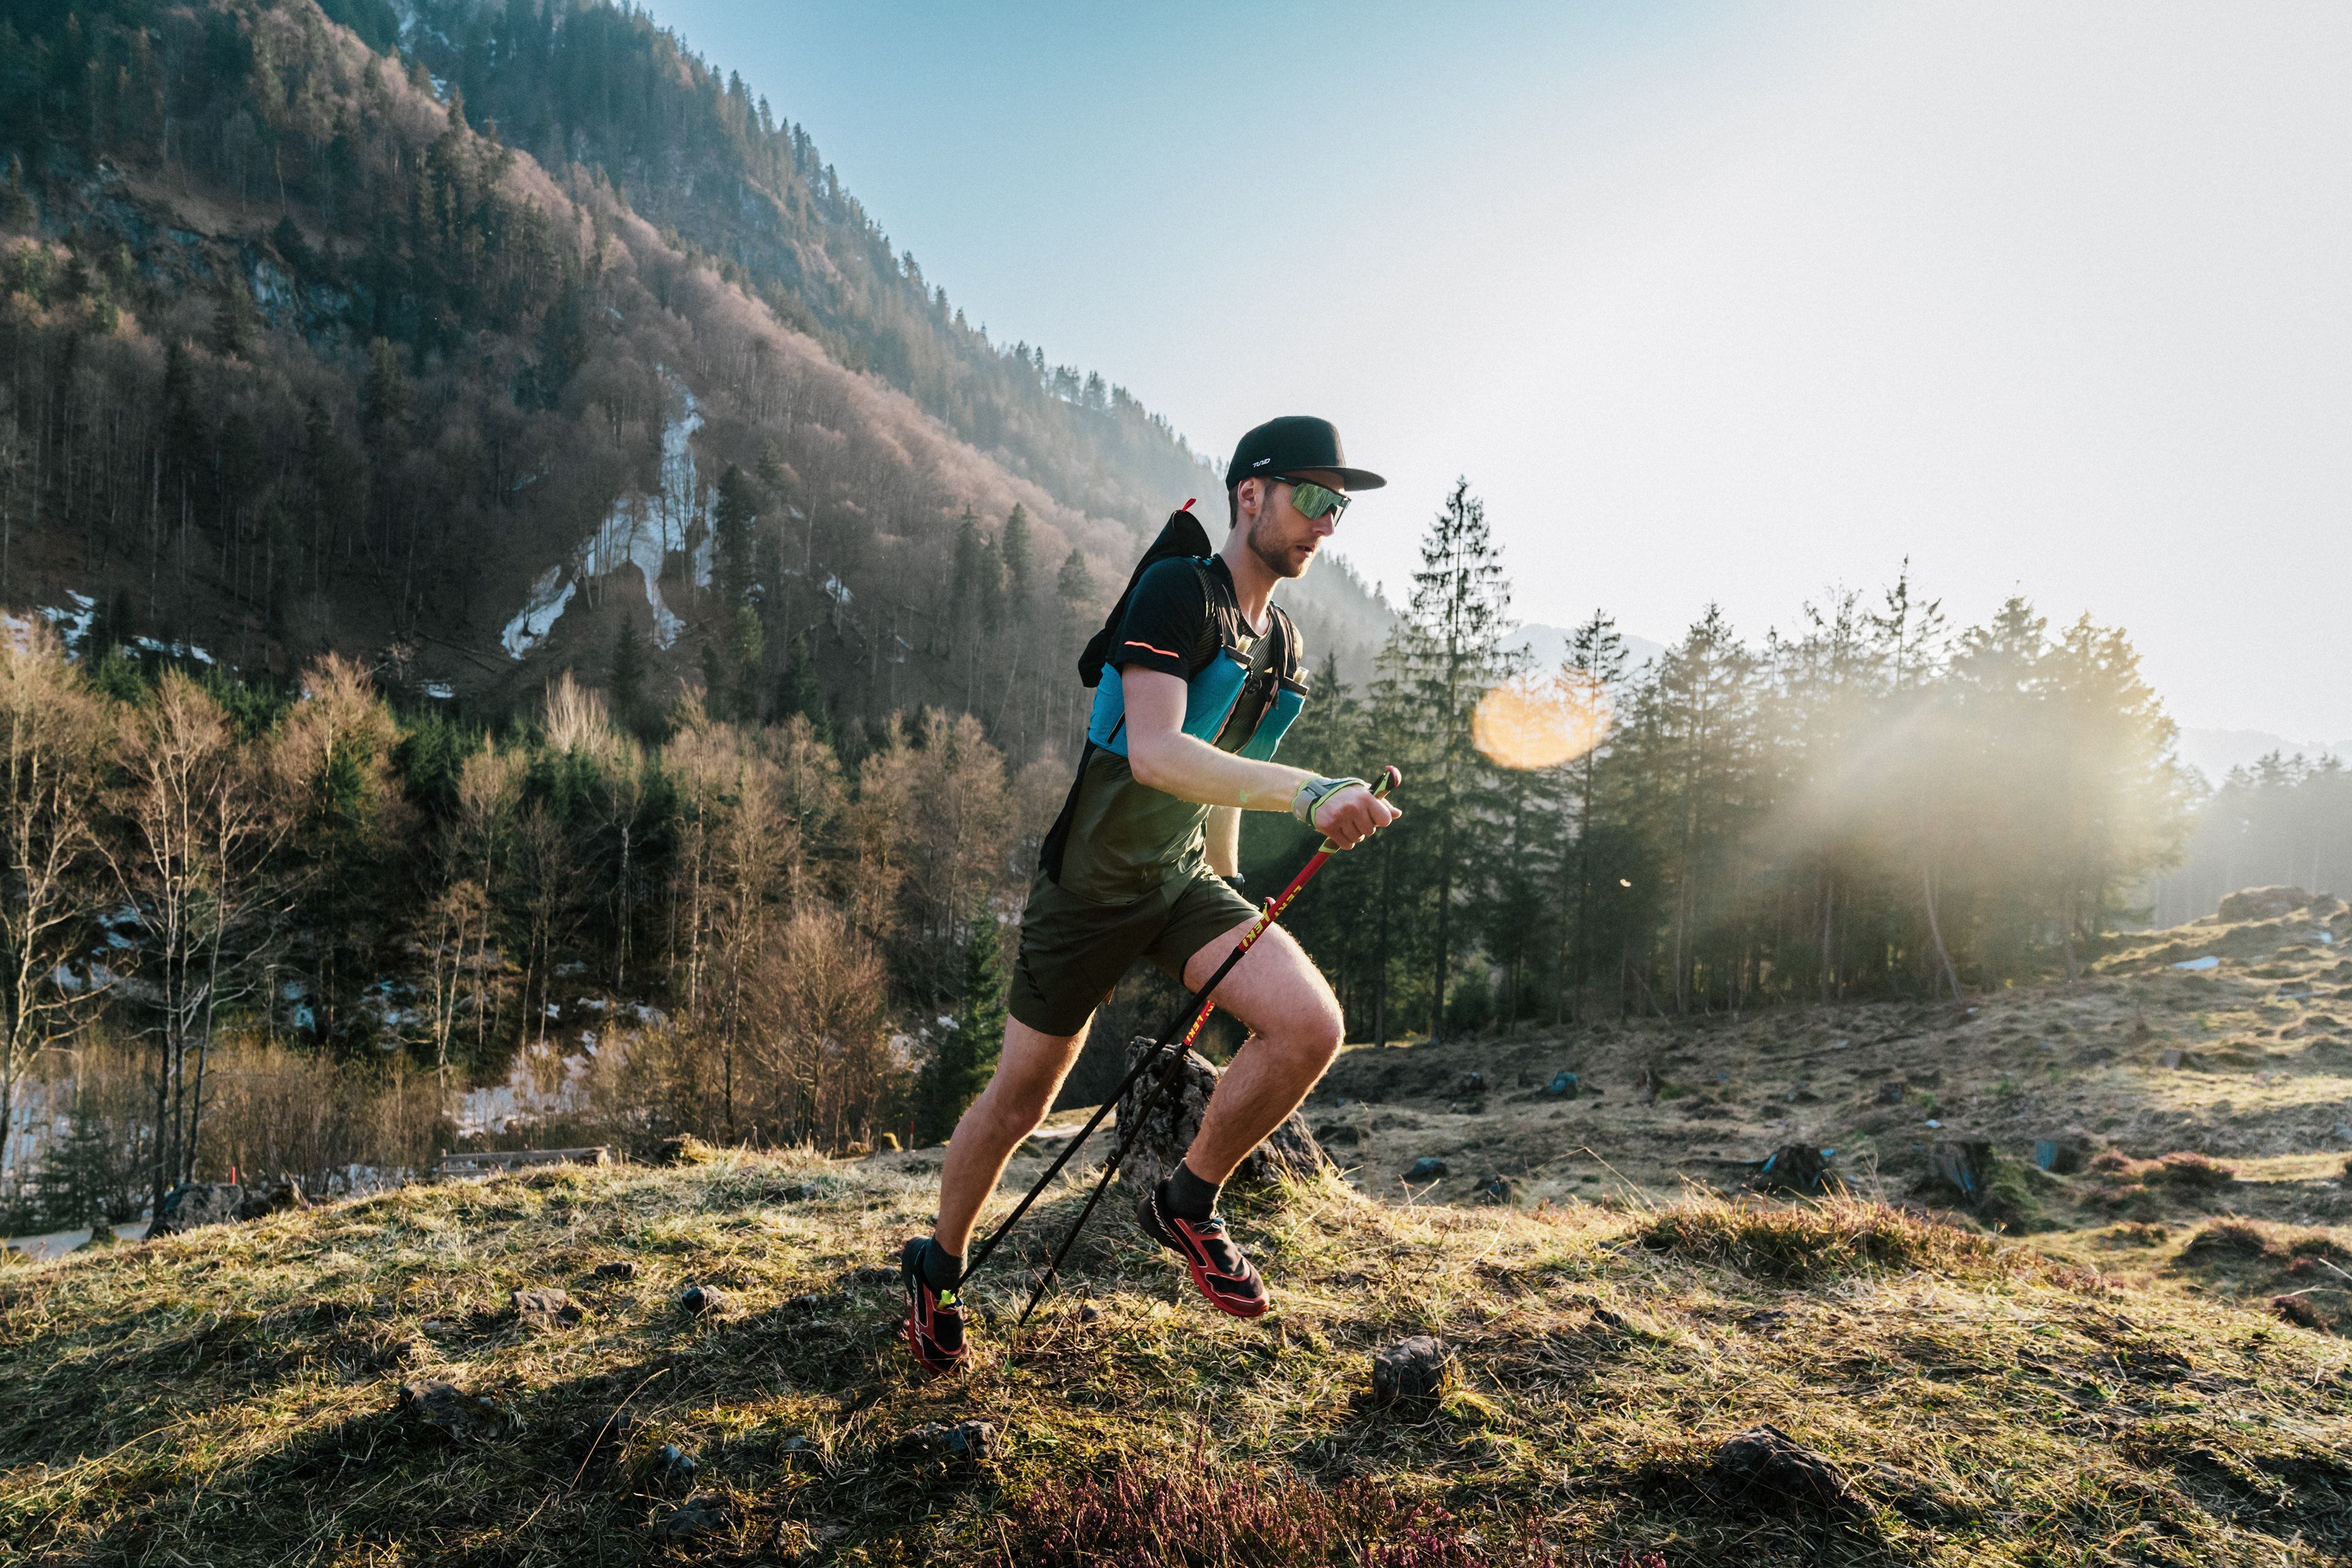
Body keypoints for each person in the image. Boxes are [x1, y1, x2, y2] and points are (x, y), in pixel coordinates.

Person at [902, 415, 1403, 1373]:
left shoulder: (1281, 645)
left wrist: (1232, 899)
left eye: (1338, 510)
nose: (1326, 524)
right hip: (1087, 892)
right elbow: (1159, 751)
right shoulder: (1179, 592)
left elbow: (1225, 781)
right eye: (1313, 498)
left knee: (1309, 1026)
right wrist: (1311, 794)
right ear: (1250, 494)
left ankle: (1187, 1202)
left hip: (1182, 885)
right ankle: (939, 1264)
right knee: (1019, 1101)